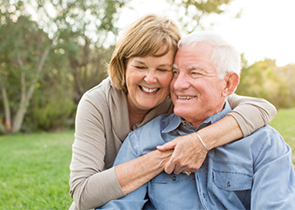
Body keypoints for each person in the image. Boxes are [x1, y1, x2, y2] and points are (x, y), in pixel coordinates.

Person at [69, 14, 277, 210]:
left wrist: (199, 141)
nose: (151, 79)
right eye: (140, 66)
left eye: (163, 69)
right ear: (123, 66)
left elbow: (262, 108)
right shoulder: (96, 102)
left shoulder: (179, 96)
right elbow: (82, 192)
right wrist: (168, 155)